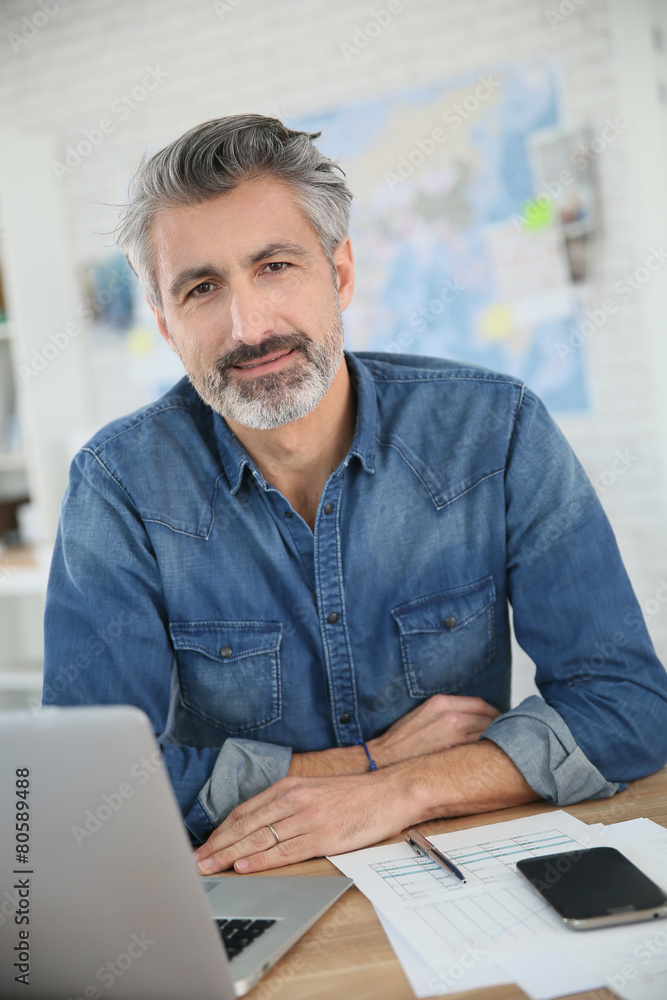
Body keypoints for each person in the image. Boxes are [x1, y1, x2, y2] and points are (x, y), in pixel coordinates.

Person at [43, 115, 667, 876]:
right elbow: (90, 786)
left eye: (274, 266)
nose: (248, 325)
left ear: (339, 273)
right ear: (167, 324)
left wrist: (402, 789)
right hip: (260, 889)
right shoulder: (119, 485)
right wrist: (360, 764)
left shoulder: (495, 430)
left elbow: (627, 706)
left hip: (468, 871)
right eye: (201, 288)